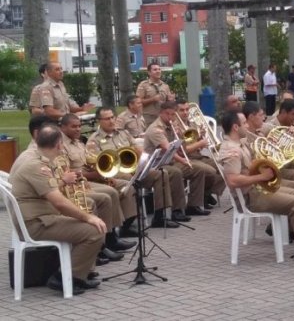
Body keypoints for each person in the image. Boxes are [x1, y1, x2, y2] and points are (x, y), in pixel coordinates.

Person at [218, 111, 294, 263]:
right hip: (251, 196)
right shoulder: (231, 150)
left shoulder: (240, 143)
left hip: (259, 187)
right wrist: (262, 177)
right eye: (244, 123)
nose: (247, 125)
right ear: (236, 127)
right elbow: (232, 181)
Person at [9, 124, 107, 295]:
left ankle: (81, 273)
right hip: (37, 223)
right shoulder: (36, 165)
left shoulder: (35, 157)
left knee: (88, 214)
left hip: (39, 217)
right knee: (94, 231)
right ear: (59, 144)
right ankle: (64, 278)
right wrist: (88, 218)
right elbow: (59, 202)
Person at [88, 107, 180, 231]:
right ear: (99, 121)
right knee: (128, 180)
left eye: (112, 117)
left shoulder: (123, 133)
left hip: (132, 168)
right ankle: (128, 224)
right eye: (107, 119)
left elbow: (137, 148)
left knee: (160, 174)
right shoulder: (94, 140)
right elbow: (97, 164)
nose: (111, 121)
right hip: (115, 173)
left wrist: (143, 161)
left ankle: (160, 216)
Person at [59, 114, 136, 257]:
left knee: (124, 186)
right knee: (108, 194)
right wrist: (97, 175)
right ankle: (103, 243)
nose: (78, 129)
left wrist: (105, 174)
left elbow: (89, 162)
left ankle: (114, 235)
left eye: (79, 126)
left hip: (90, 177)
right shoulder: (61, 145)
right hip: (79, 182)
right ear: (62, 127)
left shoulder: (78, 142)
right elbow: (68, 172)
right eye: (73, 126)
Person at [143, 101, 209, 221]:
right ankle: (176, 210)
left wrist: (181, 136)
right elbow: (167, 148)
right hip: (156, 164)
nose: (171, 117)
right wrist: (183, 160)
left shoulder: (171, 126)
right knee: (175, 172)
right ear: (161, 113)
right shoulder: (155, 129)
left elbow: (179, 147)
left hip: (169, 161)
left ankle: (194, 205)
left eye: (173, 114)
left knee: (198, 169)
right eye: (168, 114)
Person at [176, 99, 225, 208]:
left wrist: (200, 137)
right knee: (210, 171)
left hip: (197, 156)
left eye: (187, 109)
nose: (185, 112)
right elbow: (183, 151)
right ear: (176, 112)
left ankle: (205, 195)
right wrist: (200, 143)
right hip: (186, 158)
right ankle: (198, 200)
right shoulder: (176, 127)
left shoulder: (191, 123)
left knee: (223, 167)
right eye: (182, 110)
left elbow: (196, 144)